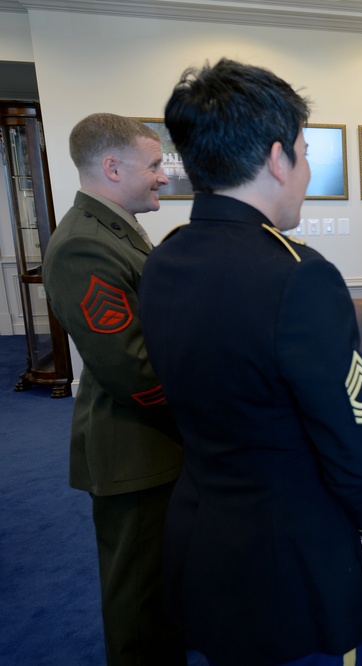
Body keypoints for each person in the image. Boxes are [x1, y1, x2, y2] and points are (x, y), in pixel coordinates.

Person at [138, 58, 362, 665]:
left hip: (200, 539)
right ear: (278, 158)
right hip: (292, 566)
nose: (304, 172)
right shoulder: (297, 277)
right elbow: (354, 436)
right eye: (304, 153)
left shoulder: (165, 259)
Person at [42, 113, 186, 665]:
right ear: (111, 166)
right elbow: (136, 373)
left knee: (164, 582)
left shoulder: (114, 226)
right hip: (134, 447)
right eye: (153, 166)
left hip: (155, 444)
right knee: (139, 602)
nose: (161, 177)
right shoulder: (83, 245)